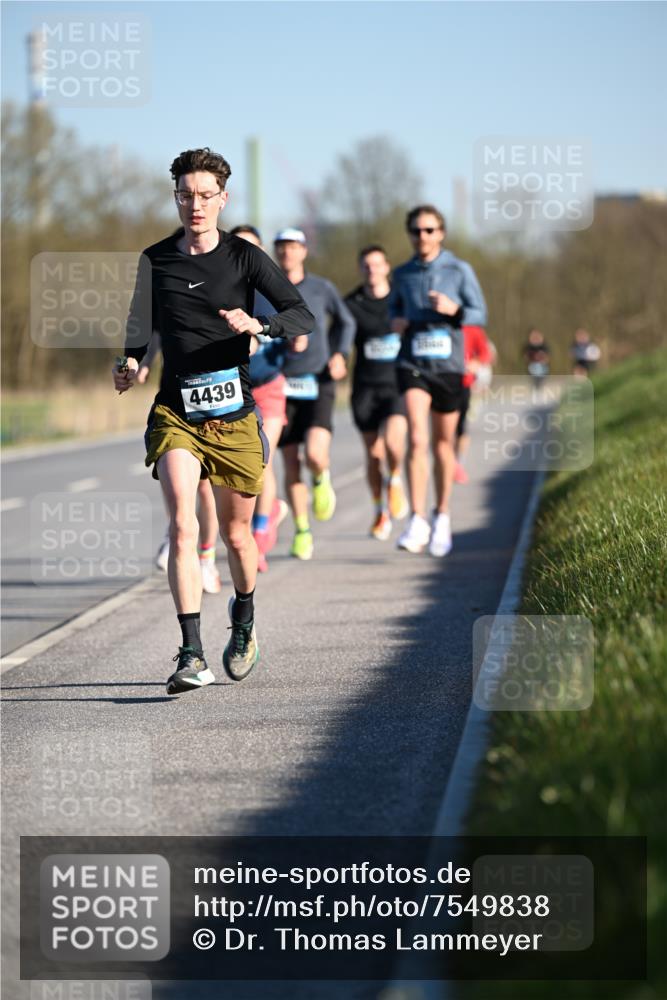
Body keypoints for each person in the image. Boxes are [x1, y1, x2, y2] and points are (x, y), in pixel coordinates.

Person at [113, 147, 314, 694]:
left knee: (235, 536)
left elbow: (303, 315)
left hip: (233, 416)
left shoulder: (245, 258)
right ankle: (190, 654)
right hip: (177, 412)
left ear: (222, 199)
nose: (194, 205)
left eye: (205, 196)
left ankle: (244, 618)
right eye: (185, 195)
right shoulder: (155, 258)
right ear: (175, 197)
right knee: (183, 523)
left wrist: (259, 323)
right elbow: (140, 324)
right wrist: (131, 360)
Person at [389, 204, 487, 557]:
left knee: (442, 445)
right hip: (412, 361)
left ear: (441, 233)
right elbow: (393, 311)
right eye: (416, 231)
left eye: (429, 230)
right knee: (417, 437)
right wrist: (396, 322)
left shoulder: (460, 270)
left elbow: (480, 313)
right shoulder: (401, 274)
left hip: (448, 365)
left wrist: (453, 310)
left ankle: (441, 514)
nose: (422, 237)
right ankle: (416, 518)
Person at [274, 227, 356, 561]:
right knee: (291, 462)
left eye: (293, 246)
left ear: (304, 251)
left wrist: (340, 354)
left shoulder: (321, 288)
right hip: (282, 383)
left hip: (319, 380)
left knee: (315, 455)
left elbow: (347, 322)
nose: (287, 253)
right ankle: (302, 530)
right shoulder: (264, 289)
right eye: (281, 247)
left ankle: (321, 477)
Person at [136, 332, 223, 594]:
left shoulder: (222, 294)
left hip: (212, 401)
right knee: (175, 484)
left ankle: (207, 557)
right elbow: (155, 328)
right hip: (175, 402)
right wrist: (143, 361)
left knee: (205, 487)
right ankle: (175, 534)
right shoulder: (168, 292)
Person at [229, 225, 291, 573]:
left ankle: (260, 536)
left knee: (261, 459)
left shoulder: (272, 288)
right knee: (234, 468)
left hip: (268, 386)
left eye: (253, 248)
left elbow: (296, 323)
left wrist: (270, 335)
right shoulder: (220, 287)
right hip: (232, 389)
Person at [345, 245, 408, 540]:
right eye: (366, 265)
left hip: (396, 384)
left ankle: (395, 480)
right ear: (360, 269)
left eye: (377, 264)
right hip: (365, 388)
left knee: (394, 444)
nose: (372, 270)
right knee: (373, 453)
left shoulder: (401, 298)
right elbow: (341, 338)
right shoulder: (351, 304)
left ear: (386, 267)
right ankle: (379, 509)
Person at [454, 325, 494, 485]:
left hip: (463, 384)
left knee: (461, 428)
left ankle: (458, 463)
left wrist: (474, 364)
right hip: (438, 385)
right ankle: (447, 462)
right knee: (443, 430)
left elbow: (486, 354)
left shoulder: (472, 329)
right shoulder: (431, 322)